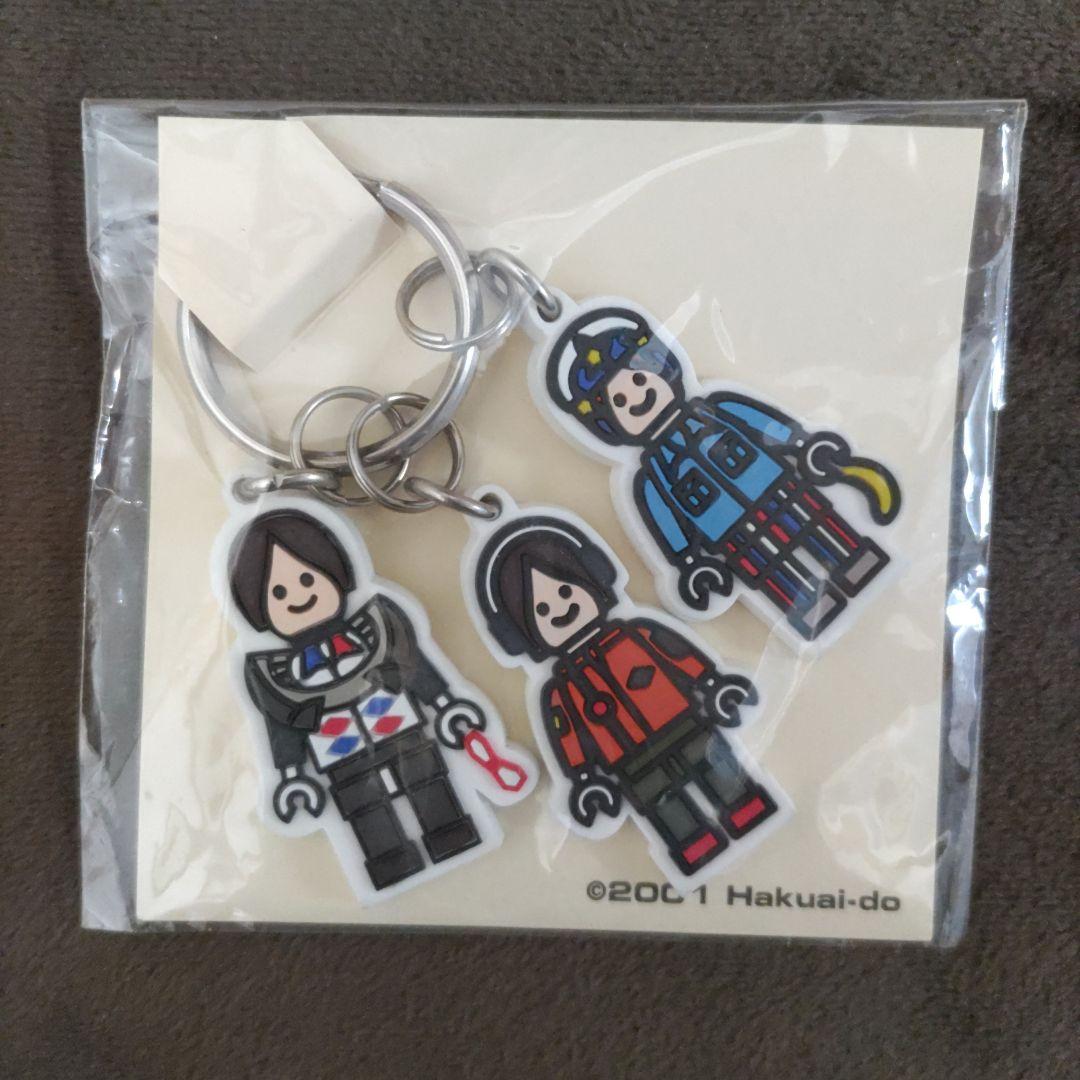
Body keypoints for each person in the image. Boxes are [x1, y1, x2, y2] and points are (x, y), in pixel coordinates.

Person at [544, 305, 901, 640]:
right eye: (618, 401)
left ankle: (856, 562)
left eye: (638, 380)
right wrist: (688, 561)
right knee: (771, 570)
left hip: (782, 490)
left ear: (661, 368)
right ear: (607, 424)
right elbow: (666, 522)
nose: (637, 398)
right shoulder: (651, 476)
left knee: (818, 527)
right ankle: (810, 608)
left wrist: (801, 444)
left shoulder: (718, 407)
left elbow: (765, 425)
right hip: (732, 534)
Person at [475, 515, 778, 876]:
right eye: (541, 610)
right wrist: (583, 777)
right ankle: (695, 845)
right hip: (630, 764)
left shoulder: (637, 634)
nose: (560, 609)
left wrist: (711, 682)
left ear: (595, 578)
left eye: (566, 591)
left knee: (720, 773)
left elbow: (679, 657)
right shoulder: (559, 692)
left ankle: (747, 809)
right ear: (518, 636)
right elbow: (568, 737)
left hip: (687, 727)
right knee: (666, 807)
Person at [229, 508, 487, 892]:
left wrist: (445, 703)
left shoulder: (381, 626)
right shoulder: (274, 678)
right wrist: (291, 775)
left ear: (335, 572)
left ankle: (450, 835)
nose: (298, 595)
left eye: (307, 578)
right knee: (365, 809)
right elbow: (281, 724)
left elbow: (413, 666)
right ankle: (390, 862)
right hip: (340, 752)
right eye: (278, 593)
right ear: (258, 608)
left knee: (428, 782)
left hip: (401, 730)